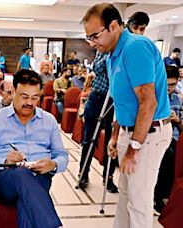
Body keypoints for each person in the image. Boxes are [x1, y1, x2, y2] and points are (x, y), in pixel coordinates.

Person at [82, 3, 172, 228]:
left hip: (147, 136)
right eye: (89, 38)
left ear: (113, 26)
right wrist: (115, 135)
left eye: (95, 36)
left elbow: (148, 102)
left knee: (139, 202)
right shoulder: (112, 55)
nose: (93, 43)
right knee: (125, 195)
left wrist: (133, 149)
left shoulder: (135, 47)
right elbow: (122, 103)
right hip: (129, 132)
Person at [0, 69, 68, 228]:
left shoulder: (49, 121)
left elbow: (61, 155)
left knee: (27, 201)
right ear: (13, 92)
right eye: (24, 97)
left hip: (39, 176)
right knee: (21, 173)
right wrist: (5, 161)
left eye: (35, 98)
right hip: (3, 180)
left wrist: (52, 165)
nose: (29, 103)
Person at [77, 51, 118, 193]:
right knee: (89, 139)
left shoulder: (125, 48)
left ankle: (109, 177)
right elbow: (97, 67)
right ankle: (83, 174)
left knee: (111, 140)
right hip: (97, 97)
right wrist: (110, 58)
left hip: (115, 99)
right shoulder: (104, 49)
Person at [153, 66, 183, 214]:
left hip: (174, 137)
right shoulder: (152, 97)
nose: (169, 88)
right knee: (169, 154)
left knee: (175, 151)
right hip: (156, 137)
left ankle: (169, 195)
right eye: (166, 84)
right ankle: (160, 196)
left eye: (172, 85)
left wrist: (177, 120)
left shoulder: (178, 99)